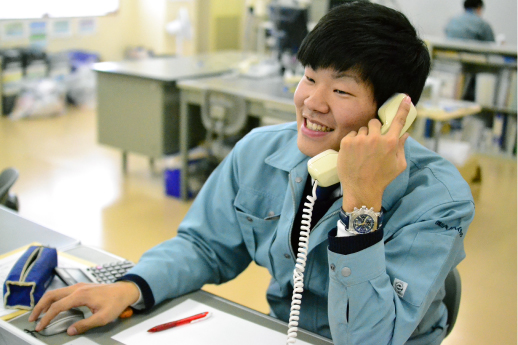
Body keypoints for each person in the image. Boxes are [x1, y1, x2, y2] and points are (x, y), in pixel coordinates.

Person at [30, 2, 475, 344]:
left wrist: (362, 206)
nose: (312, 102)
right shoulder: (262, 151)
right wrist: (132, 286)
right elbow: (204, 244)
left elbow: (368, 338)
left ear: (394, 112)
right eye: (308, 77)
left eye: (340, 89)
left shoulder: (437, 198)